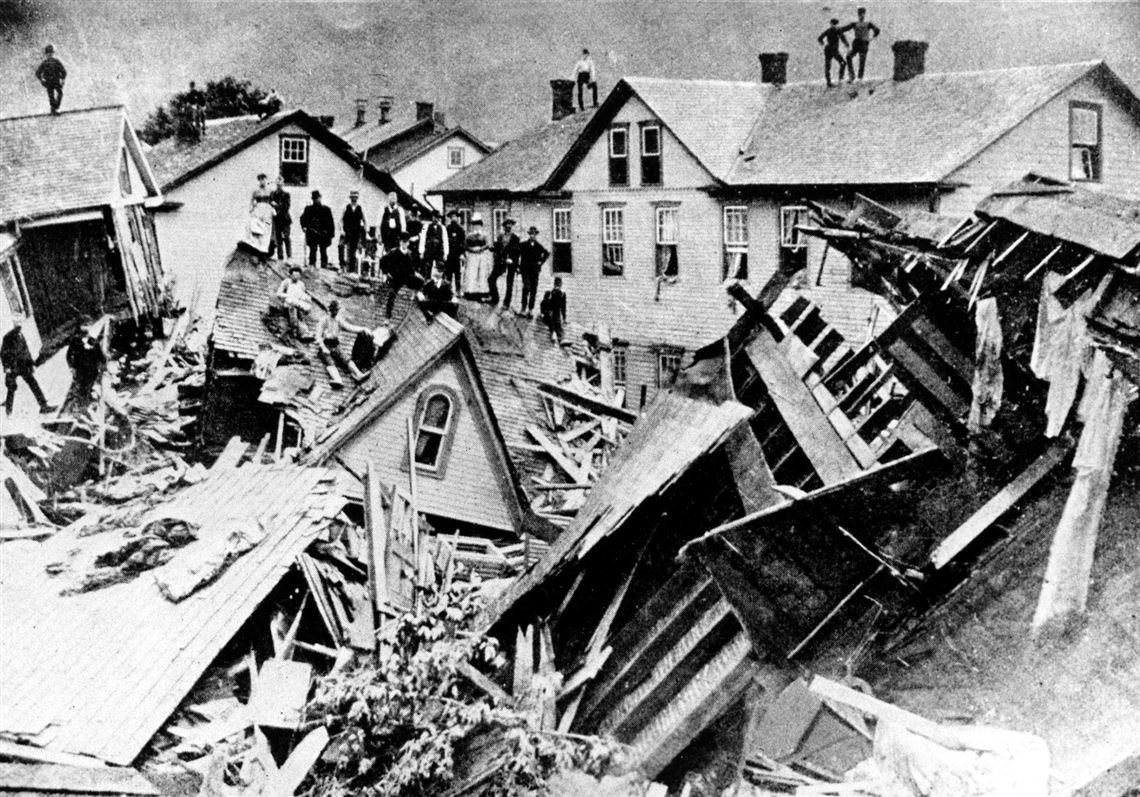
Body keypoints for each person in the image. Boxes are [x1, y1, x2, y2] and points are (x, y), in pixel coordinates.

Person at [2, 322, 54, 415]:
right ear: (14, 324)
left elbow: (26, 351)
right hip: (13, 367)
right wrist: (7, 367)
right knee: (11, 387)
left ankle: (43, 406)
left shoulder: (21, 335)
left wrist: (31, 364)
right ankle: (8, 411)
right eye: (17, 322)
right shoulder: (8, 337)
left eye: (20, 322)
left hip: (23, 365)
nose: (19, 324)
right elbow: (3, 353)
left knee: (33, 384)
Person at [316, 300, 368, 382]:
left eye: (337, 310)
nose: (335, 312)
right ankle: (337, 379)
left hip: (335, 344)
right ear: (330, 310)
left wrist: (363, 329)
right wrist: (323, 348)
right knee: (329, 361)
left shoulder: (338, 320)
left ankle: (358, 374)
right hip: (325, 344)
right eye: (334, 310)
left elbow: (349, 327)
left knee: (345, 358)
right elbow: (318, 336)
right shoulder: (324, 320)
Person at [379, 233, 422, 318]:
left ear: (408, 243)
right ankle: (387, 316)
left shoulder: (410, 253)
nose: (404, 244)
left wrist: (414, 274)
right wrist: (386, 273)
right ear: (400, 242)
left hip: (406, 277)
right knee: (392, 295)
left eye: (406, 242)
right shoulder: (393, 252)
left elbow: (411, 267)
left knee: (420, 281)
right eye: (403, 242)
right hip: (396, 278)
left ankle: (414, 296)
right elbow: (382, 261)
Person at [64, 324, 105, 410]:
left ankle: (89, 404)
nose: (84, 336)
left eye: (85, 333)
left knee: (89, 387)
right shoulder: (75, 342)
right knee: (80, 388)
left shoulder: (93, 342)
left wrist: (102, 366)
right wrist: (71, 367)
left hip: (92, 370)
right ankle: (81, 406)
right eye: (82, 334)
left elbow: (101, 356)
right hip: (80, 370)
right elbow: (68, 355)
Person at [840, 8, 881, 82]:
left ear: (864, 14)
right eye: (859, 14)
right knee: (848, 56)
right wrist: (837, 29)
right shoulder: (854, 23)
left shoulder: (868, 23)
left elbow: (877, 30)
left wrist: (871, 38)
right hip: (856, 43)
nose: (861, 15)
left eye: (862, 14)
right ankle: (852, 76)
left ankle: (860, 78)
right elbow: (844, 29)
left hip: (864, 43)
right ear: (858, 15)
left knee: (862, 60)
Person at [517, 226, 550, 318]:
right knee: (526, 287)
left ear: (536, 235)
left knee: (533, 290)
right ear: (529, 235)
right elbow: (516, 253)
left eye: (534, 234)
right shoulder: (523, 245)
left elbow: (547, 253)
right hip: (525, 270)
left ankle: (530, 309)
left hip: (535, 271)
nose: (532, 236)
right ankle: (523, 308)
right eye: (531, 234)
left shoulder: (539, 246)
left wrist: (541, 262)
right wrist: (518, 266)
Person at [300, 190, 335, 268]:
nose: (316, 200)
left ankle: (324, 266)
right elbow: (303, 219)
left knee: (323, 250)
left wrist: (331, 234)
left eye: (317, 198)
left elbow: (331, 223)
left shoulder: (326, 209)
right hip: (312, 233)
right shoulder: (308, 209)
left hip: (323, 233)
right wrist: (304, 227)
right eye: (314, 199)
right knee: (312, 250)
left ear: (320, 198)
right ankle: (312, 265)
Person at [490, 218, 520, 306]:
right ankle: (495, 298)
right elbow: (496, 248)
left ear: (512, 226)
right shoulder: (500, 237)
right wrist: (492, 248)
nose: (508, 226)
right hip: (501, 261)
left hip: (511, 262)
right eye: (507, 224)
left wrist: (513, 260)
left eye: (510, 224)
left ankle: (507, 302)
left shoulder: (515, 238)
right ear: (504, 226)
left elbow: (517, 252)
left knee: (509, 283)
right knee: (491, 279)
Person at [246, 173, 276, 261]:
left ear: (266, 180)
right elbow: (252, 201)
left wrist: (273, 208)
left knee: (267, 228)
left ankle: (264, 250)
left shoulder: (270, 191)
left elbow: (272, 201)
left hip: (267, 210)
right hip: (258, 210)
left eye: (263, 179)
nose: (262, 181)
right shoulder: (256, 191)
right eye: (260, 179)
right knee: (257, 228)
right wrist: (252, 209)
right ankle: (257, 249)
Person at [276, 266, 311, 337]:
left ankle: (304, 331)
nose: (296, 277)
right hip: (287, 303)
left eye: (298, 276)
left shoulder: (301, 284)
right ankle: (293, 328)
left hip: (297, 303)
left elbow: (303, 295)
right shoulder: (286, 282)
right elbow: (279, 293)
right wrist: (288, 295)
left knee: (302, 311)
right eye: (294, 275)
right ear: (291, 275)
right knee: (293, 308)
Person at [462, 214, 491, 300]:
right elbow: (465, 245)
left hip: (482, 255)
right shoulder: (469, 235)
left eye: (478, 225)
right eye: (475, 224)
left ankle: (482, 291)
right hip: (472, 255)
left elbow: (488, 244)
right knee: (472, 272)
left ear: (481, 226)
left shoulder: (484, 235)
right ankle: (471, 291)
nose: (476, 227)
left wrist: (481, 248)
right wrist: (471, 249)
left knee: (482, 272)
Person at [35, 45, 67, 114]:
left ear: (52, 53)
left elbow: (63, 71)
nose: (50, 54)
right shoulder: (45, 63)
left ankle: (55, 108)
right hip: (49, 82)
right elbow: (38, 73)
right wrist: (42, 79)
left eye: (51, 53)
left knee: (59, 94)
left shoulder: (55, 62)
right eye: (48, 53)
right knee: (52, 96)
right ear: (46, 54)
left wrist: (62, 79)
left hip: (55, 81)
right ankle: (55, 109)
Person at [817, 19, 849, 87]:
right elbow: (842, 38)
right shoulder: (838, 30)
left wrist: (822, 44)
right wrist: (846, 44)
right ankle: (840, 79)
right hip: (834, 50)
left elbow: (819, 38)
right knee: (843, 63)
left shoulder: (828, 30)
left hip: (827, 49)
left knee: (828, 66)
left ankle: (828, 82)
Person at [342, 190, 366, 273]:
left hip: (356, 233)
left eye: (355, 197)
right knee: (341, 246)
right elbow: (340, 220)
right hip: (347, 232)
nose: (354, 199)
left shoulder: (360, 208)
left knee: (353, 251)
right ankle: (342, 266)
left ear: (357, 198)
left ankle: (351, 270)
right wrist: (342, 230)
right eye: (352, 197)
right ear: (350, 198)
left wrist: (365, 232)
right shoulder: (346, 207)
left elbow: (365, 220)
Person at [269, 176, 292, 261]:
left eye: (280, 184)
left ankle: (289, 256)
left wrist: (277, 205)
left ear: (283, 184)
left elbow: (286, 207)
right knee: (278, 239)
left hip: (285, 219)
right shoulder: (273, 194)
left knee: (286, 237)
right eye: (277, 184)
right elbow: (269, 203)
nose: (279, 185)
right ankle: (280, 257)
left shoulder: (286, 194)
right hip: (276, 219)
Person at [420, 210, 449, 276]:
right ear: (432, 217)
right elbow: (422, 239)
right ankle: (427, 281)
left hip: (439, 251)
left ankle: (439, 282)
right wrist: (421, 252)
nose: (436, 219)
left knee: (440, 269)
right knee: (427, 269)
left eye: (437, 217)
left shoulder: (443, 228)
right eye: (434, 217)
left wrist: (445, 253)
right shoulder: (425, 227)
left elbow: (445, 241)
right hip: (429, 251)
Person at [540, 277, 568, 344]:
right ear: (554, 284)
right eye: (557, 284)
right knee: (552, 321)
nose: (558, 286)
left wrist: (564, 318)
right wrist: (543, 312)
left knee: (557, 322)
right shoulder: (549, 293)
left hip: (556, 312)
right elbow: (543, 303)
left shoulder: (562, 294)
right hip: (548, 312)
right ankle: (554, 333)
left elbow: (563, 307)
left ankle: (561, 338)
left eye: (559, 285)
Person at [444, 209, 466, 293]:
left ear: (457, 218)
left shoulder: (460, 229)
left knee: (457, 273)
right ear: (450, 218)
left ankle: (458, 290)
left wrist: (462, 253)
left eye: (455, 217)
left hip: (457, 255)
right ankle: (448, 291)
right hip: (449, 254)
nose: (453, 218)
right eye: (452, 217)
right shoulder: (447, 229)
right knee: (448, 273)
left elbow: (463, 242)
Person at [406, 206, 424, 276]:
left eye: (415, 216)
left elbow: (421, 233)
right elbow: (405, 232)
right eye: (412, 215)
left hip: (417, 245)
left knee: (416, 262)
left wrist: (417, 237)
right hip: (409, 244)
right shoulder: (408, 224)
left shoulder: (419, 224)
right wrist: (409, 238)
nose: (413, 217)